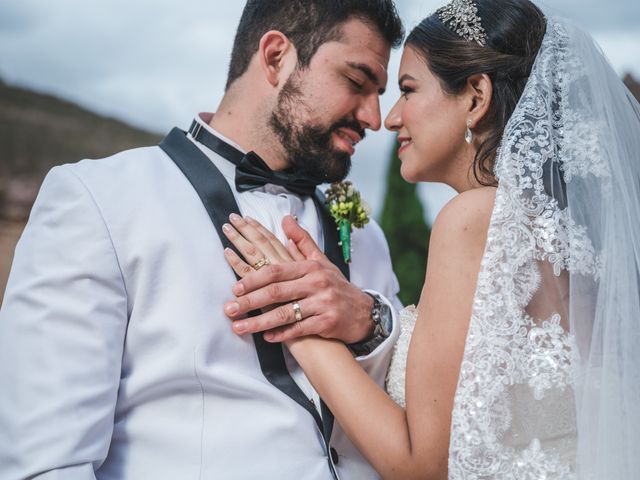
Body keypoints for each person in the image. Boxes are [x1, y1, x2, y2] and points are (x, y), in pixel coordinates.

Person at [221, 0, 640, 478]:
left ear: (476, 97)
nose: (390, 118)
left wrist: (301, 321)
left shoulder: (470, 220)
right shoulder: (573, 238)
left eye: (407, 89)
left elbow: (421, 465)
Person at [0, 2, 406, 479]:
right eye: (357, 83)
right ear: (276, 57)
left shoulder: (365, 234)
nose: (374, 117)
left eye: (379, 93)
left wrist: (369, 320)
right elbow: (47, 463)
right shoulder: (99, 200)